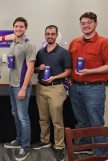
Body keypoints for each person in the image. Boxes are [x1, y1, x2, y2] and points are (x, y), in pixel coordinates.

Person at [68, 12, 108, 156]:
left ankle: (102, 154)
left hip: (94, 88)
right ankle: (85, 146)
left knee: (96, 121)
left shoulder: (104, 42)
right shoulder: (74, 42)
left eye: (89, 22)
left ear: (96, 23)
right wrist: (68, 76)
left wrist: (89, 72)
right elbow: (69, 64)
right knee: (81, 120)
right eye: (83, 23)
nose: (86, 25)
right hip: (75, 87)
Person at [32, 25, 72, 161]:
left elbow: (68, 71)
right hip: (41, 87)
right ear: (45, 35)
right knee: (43, 118)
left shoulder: (63, 52)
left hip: (56, 88)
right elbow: (35, 70)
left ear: (56, 35)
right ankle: (45, 140)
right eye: (48, 34)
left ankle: (59, 146)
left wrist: (54, 77)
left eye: (52, 34)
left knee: (57, 120)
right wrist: (38, 68)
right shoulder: (40, 53)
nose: (50, 36)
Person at [4, 17, 36, 161]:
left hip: (21, 86)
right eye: (16, 26)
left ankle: (25, 146)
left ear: (26, 28)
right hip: (12, 84)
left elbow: (30, 69)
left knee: (23, 117)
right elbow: (16, 63)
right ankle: (18, 140)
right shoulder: (12, 43)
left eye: (21, 26)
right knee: (15, 113)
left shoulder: (28, 45)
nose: (18, 29)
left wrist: (23, 88)